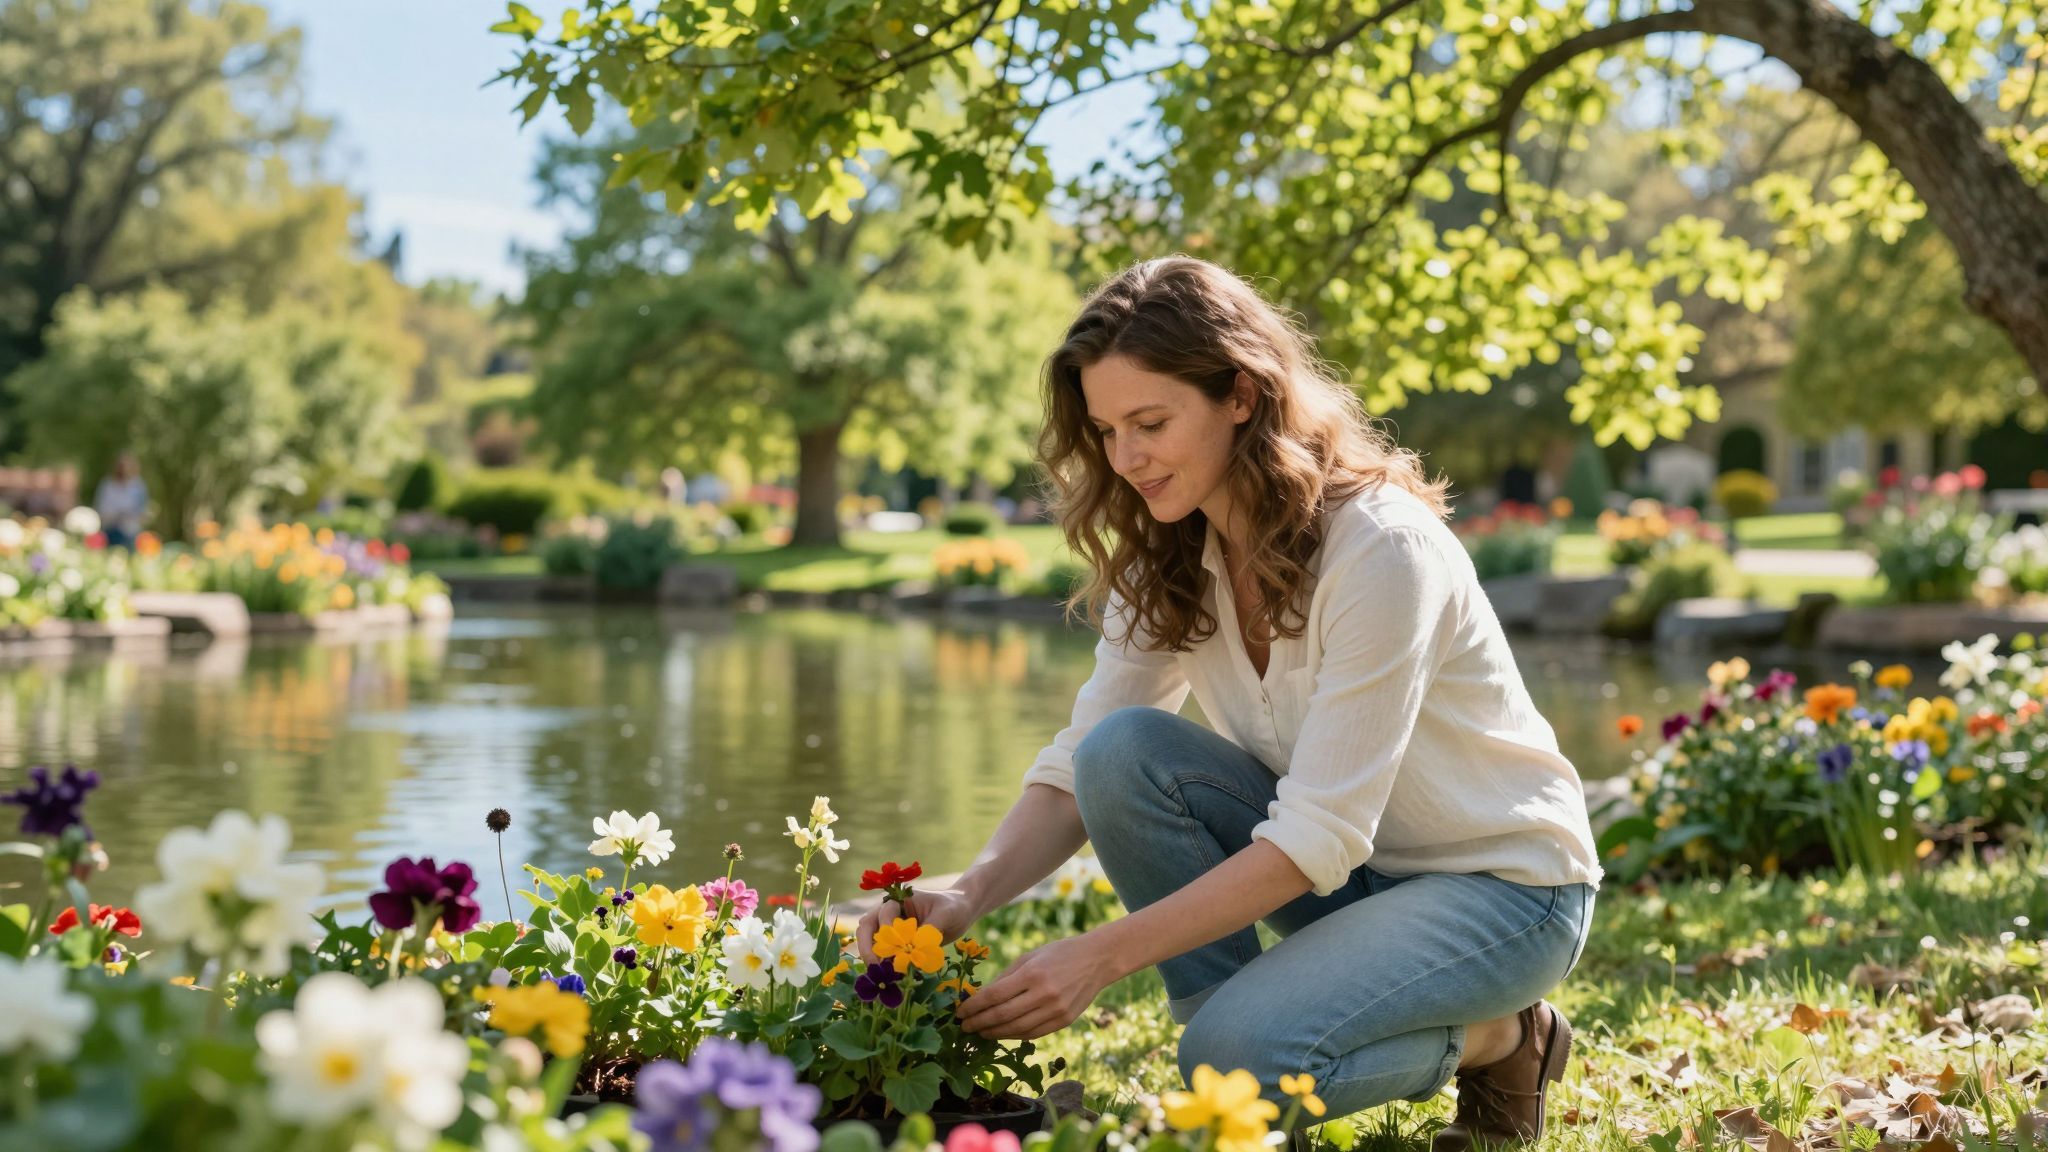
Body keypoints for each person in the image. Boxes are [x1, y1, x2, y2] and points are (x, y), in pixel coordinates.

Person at [856, 257, 1602, 1149]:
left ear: (1241, 396)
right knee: (1122, 754)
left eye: (1151, 422)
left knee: (1239, 1060)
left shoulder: (1382, 550)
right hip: (1357, 879)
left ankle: (1502, 1040)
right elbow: (1080, 759)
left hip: (1505, 893)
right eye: (1105, 430)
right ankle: (1238, 1065)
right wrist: (966, 895)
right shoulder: (1173, 551)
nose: (1125, 459)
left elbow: (1317, 832)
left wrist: (1098, 956)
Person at [93, 454, 148, 549]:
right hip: (108, 531)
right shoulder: (107, 485)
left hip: (130, 533)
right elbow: (100, 508)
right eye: (121, 466)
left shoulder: (138, 487)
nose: (124, 469)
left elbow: (142, 511)